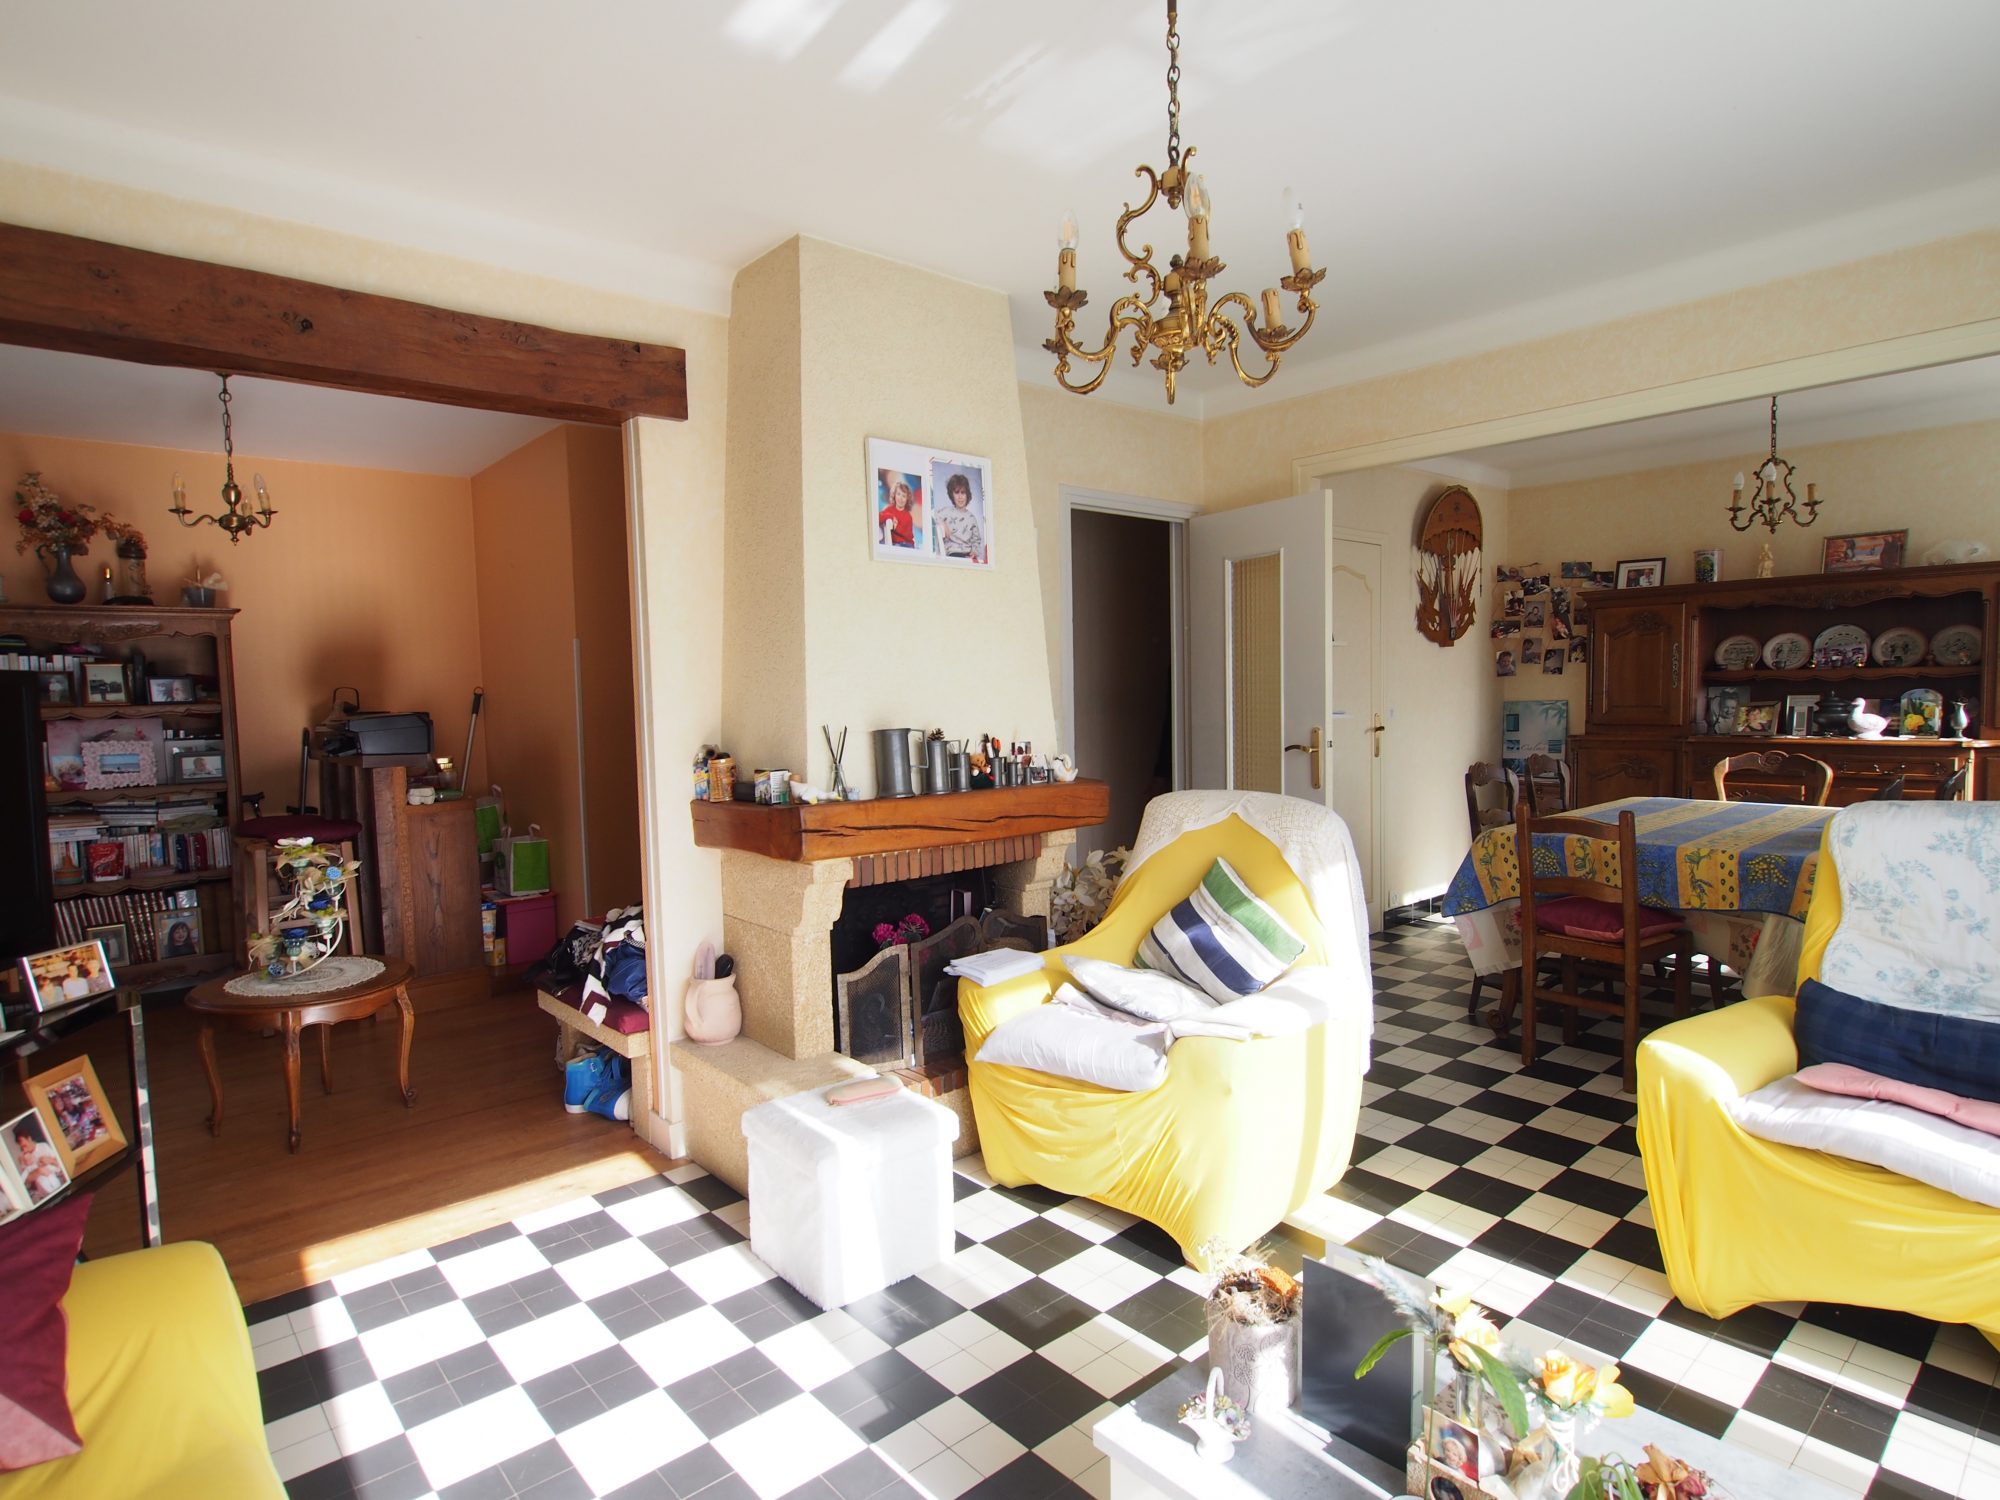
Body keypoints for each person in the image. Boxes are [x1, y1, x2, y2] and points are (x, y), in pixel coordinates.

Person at [935, 472, 984, 561]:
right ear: (952, 495)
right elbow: (933, 515)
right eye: (957, 493)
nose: (960, 497)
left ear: (967, 494)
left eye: (963, 493)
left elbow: (976, 540)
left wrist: (974, 552)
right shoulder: (946, 512)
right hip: (952, 554)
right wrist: (942, 524)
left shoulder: (971, 518)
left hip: (968, 554)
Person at [14, 1122, 65, 1204]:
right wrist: (38, 1171)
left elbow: (61, 1164)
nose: (24, 1149)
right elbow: (27, 1180)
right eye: (21, 1148)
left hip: (56, 1181)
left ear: (29, 1139)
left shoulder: (44, 1146)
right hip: (43, 1190)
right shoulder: (24, 1158)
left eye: (24, 1145)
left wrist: (50, 1160)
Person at [877, 476, 917, 547]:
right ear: (894, 495)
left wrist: (895, 526)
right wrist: (890, 516)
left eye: (904, 496)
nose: (900, 498)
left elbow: (909, 536)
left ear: (907, 499)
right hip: (895, 544)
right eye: (898, 494)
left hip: (907, 544)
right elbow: (878, 517)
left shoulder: (908, 516)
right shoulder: (889, 510)